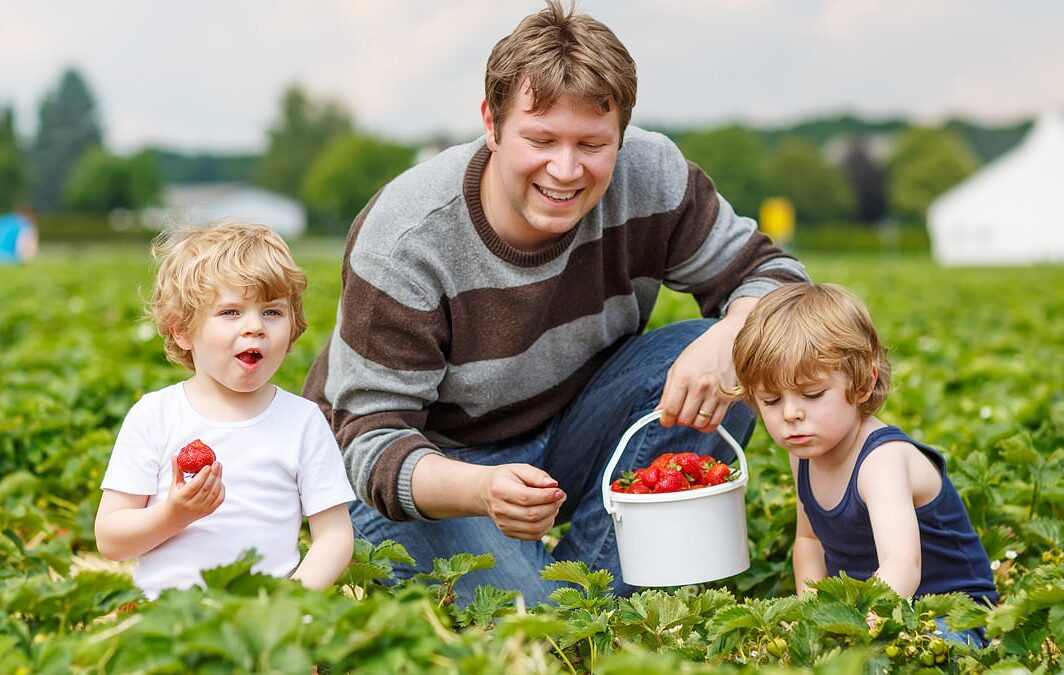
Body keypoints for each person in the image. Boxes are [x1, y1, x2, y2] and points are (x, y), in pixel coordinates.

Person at [303, 0, 808, 605]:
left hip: (564, 425)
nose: (565, 170)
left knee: (742, 351)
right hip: (432, 465)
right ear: (491, 124)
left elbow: (774, 276)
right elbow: (371, 442)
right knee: (538, 630)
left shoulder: (651, 174)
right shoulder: (408, 238)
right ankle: (577, 598)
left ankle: (594, 592)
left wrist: (733, 335)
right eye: (539, 139)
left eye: (592, 144)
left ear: (621, 132)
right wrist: (482, 491)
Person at [727, 282, 997, 646]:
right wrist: (814, 619)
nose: (791, 413)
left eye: (812, 394)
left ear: (863, 383)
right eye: (771, 400)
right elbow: (808, 541)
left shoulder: (880, 460)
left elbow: (902, 564)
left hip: (951, 615)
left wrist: (854, 627)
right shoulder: (803, 454)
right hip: (871, 612)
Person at [95, 221, 355, 599]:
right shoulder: (155, 416)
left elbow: (334, 537)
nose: (255, 327)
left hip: (264, 617)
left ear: (293, 326)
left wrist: (288, 606)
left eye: (272, 312)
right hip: (166, 618)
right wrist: (175, 514)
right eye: (231, 312)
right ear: (182, 329)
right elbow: (110, 540)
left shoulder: (302, 421)